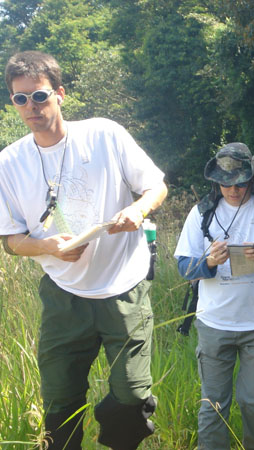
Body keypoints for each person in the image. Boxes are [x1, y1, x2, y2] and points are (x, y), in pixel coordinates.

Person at [0, 51, 168, 449]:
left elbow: (156, 187)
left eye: (39, 96)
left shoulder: (104, 134)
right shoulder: (9, 162)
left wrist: (137, 208)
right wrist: (46, 247)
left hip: (123, 285)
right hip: (64, 294)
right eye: (20, 99)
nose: (31, 107)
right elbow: (10, 241)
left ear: (59, 94)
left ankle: (112, 427)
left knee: (132, 395)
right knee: (59, 400)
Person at [174, 142, 254, 450]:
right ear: (217, 181)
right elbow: (183, 266)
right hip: (214, 324)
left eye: (240, 183)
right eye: (226, 183)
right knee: (213, 404)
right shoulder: (201, 213)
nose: (233, 190)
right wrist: (209, 263)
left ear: (251, 179)